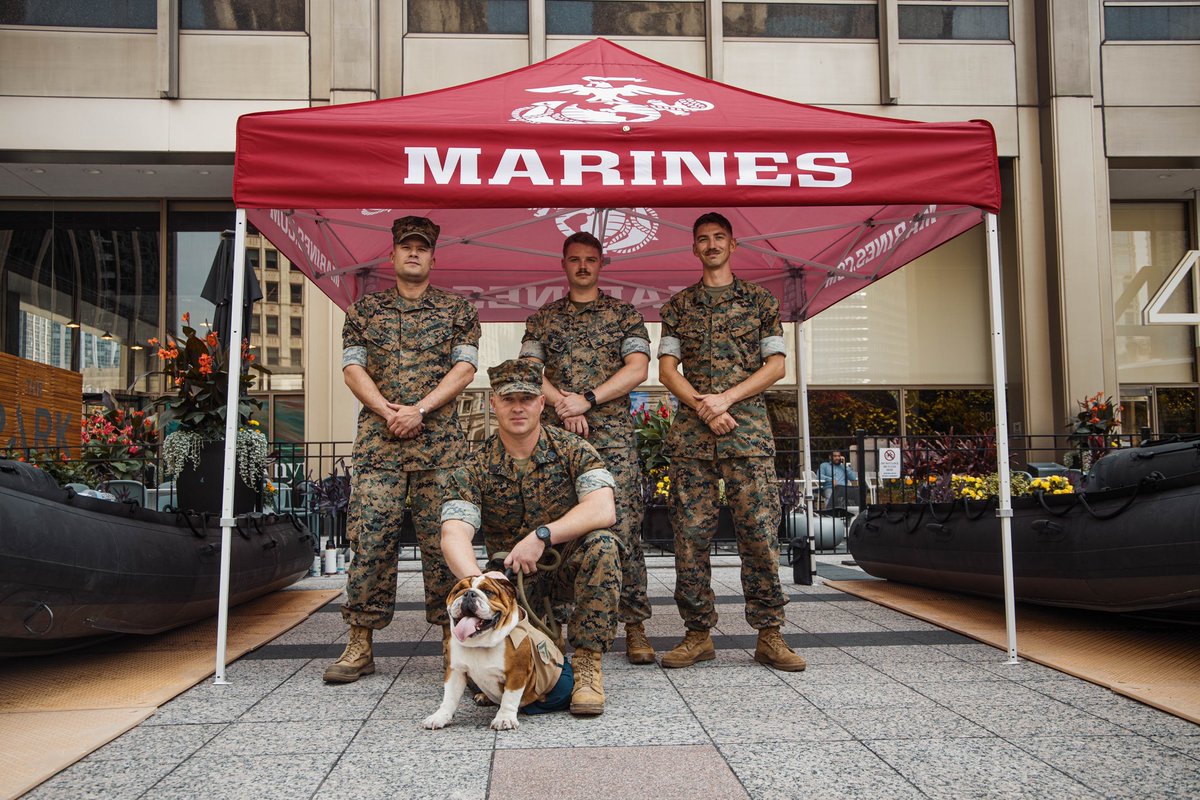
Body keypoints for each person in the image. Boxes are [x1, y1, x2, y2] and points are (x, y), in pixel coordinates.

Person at [323, 216, 481, 683]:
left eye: (422, 248)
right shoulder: (364, 312)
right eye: (406, 247)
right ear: (392, 256)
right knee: (370, 543)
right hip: (380, 448)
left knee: (445, 549)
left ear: (434, 257)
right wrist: (389, 411)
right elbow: (353, 370)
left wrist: (419, 410)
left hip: (441, 451)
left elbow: (465, 370)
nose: (414, 253)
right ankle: (359, 644)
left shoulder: (458, 311)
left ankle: (456, 647)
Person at [656, 211, 806, 672]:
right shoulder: (678, 307)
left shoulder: (760, 302)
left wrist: (726, 400)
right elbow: (665, 371)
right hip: (692, 443)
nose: (712, 244)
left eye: (719, 237)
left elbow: (777, 366)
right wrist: (705, 405)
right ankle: (697, 634)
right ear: (695, 248)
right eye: (703, 239)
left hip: (749, 437)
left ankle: (770, 634)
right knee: (689, 539)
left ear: (733, 245)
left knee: (759, 535)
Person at [440, 359, 623, 715]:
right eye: (509, 400)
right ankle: (494, 669)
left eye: (527, 398)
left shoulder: (573, 450)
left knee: (603, 544)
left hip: (567, 567)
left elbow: (603, 509)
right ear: (493, 404)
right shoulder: (474, 465)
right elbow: (453, 532)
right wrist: (478, 582)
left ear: (542, 403)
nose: (518, 407)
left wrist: (542, 536)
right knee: (473, 586)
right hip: (512, 580)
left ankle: (587, 665)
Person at [518, 231, 655, 665]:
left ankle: (634, 625)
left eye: (590, 260)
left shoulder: (623, 315)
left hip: (611, 438)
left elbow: (637, 368)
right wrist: (562, 403)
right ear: (564, 264)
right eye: (574, 259)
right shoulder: (543, 319)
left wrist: (588, 399)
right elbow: (528, 368)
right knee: (557, 524)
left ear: (601, 265)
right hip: (557, 438)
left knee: (625, 530)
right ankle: (554, 625)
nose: (582, 266)